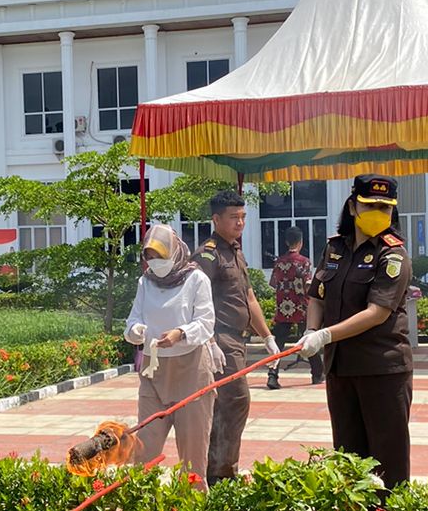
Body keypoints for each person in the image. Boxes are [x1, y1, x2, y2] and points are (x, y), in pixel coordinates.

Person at [296, 173, 413, 491]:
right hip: (341, 369)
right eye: (370, 205)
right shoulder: (335, 248)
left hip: (381, 369)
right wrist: (310, 329)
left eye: (385, 208)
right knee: (349, 460)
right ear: (352, 207)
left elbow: (377, 313)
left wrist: (325, 335)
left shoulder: (392, 255)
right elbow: (317, 295)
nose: (378, 212)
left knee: (388, 462)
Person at [193, 190, 278, 483]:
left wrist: (267, 337)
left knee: (232, 404)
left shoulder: (235, 250)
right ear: (216, 219)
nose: (240, 223)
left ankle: (222, 468)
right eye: (233, 217)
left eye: (243, 217)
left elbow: (249, 297)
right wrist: (209, 341)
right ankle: (219, 473)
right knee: (233, 401)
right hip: (219, 339)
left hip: (236, 340)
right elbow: (193, 299)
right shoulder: (208, 253)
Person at [124, 224, 217, 478]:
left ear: (175, 252)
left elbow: (206, 322)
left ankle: (193, 509)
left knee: (193, 454)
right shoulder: (145, 282)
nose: (155, 263)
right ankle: (145, 509)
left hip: (191, 372)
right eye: (150, 257)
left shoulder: (196, 279)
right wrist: (136, 332)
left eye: (160, 256)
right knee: (144, 449)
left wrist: (180, 333)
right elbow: (131, 322)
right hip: (154, 375)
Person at [266, 227, 322, 389]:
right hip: (302, 307)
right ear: (301, 242)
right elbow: (308, 284)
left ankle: (272, 375)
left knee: (278, 343)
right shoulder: (304, 261)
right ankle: (317, 373)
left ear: (286, 242)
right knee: (308, 340)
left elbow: (272, 283)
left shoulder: (279, 261)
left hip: (283, 307)